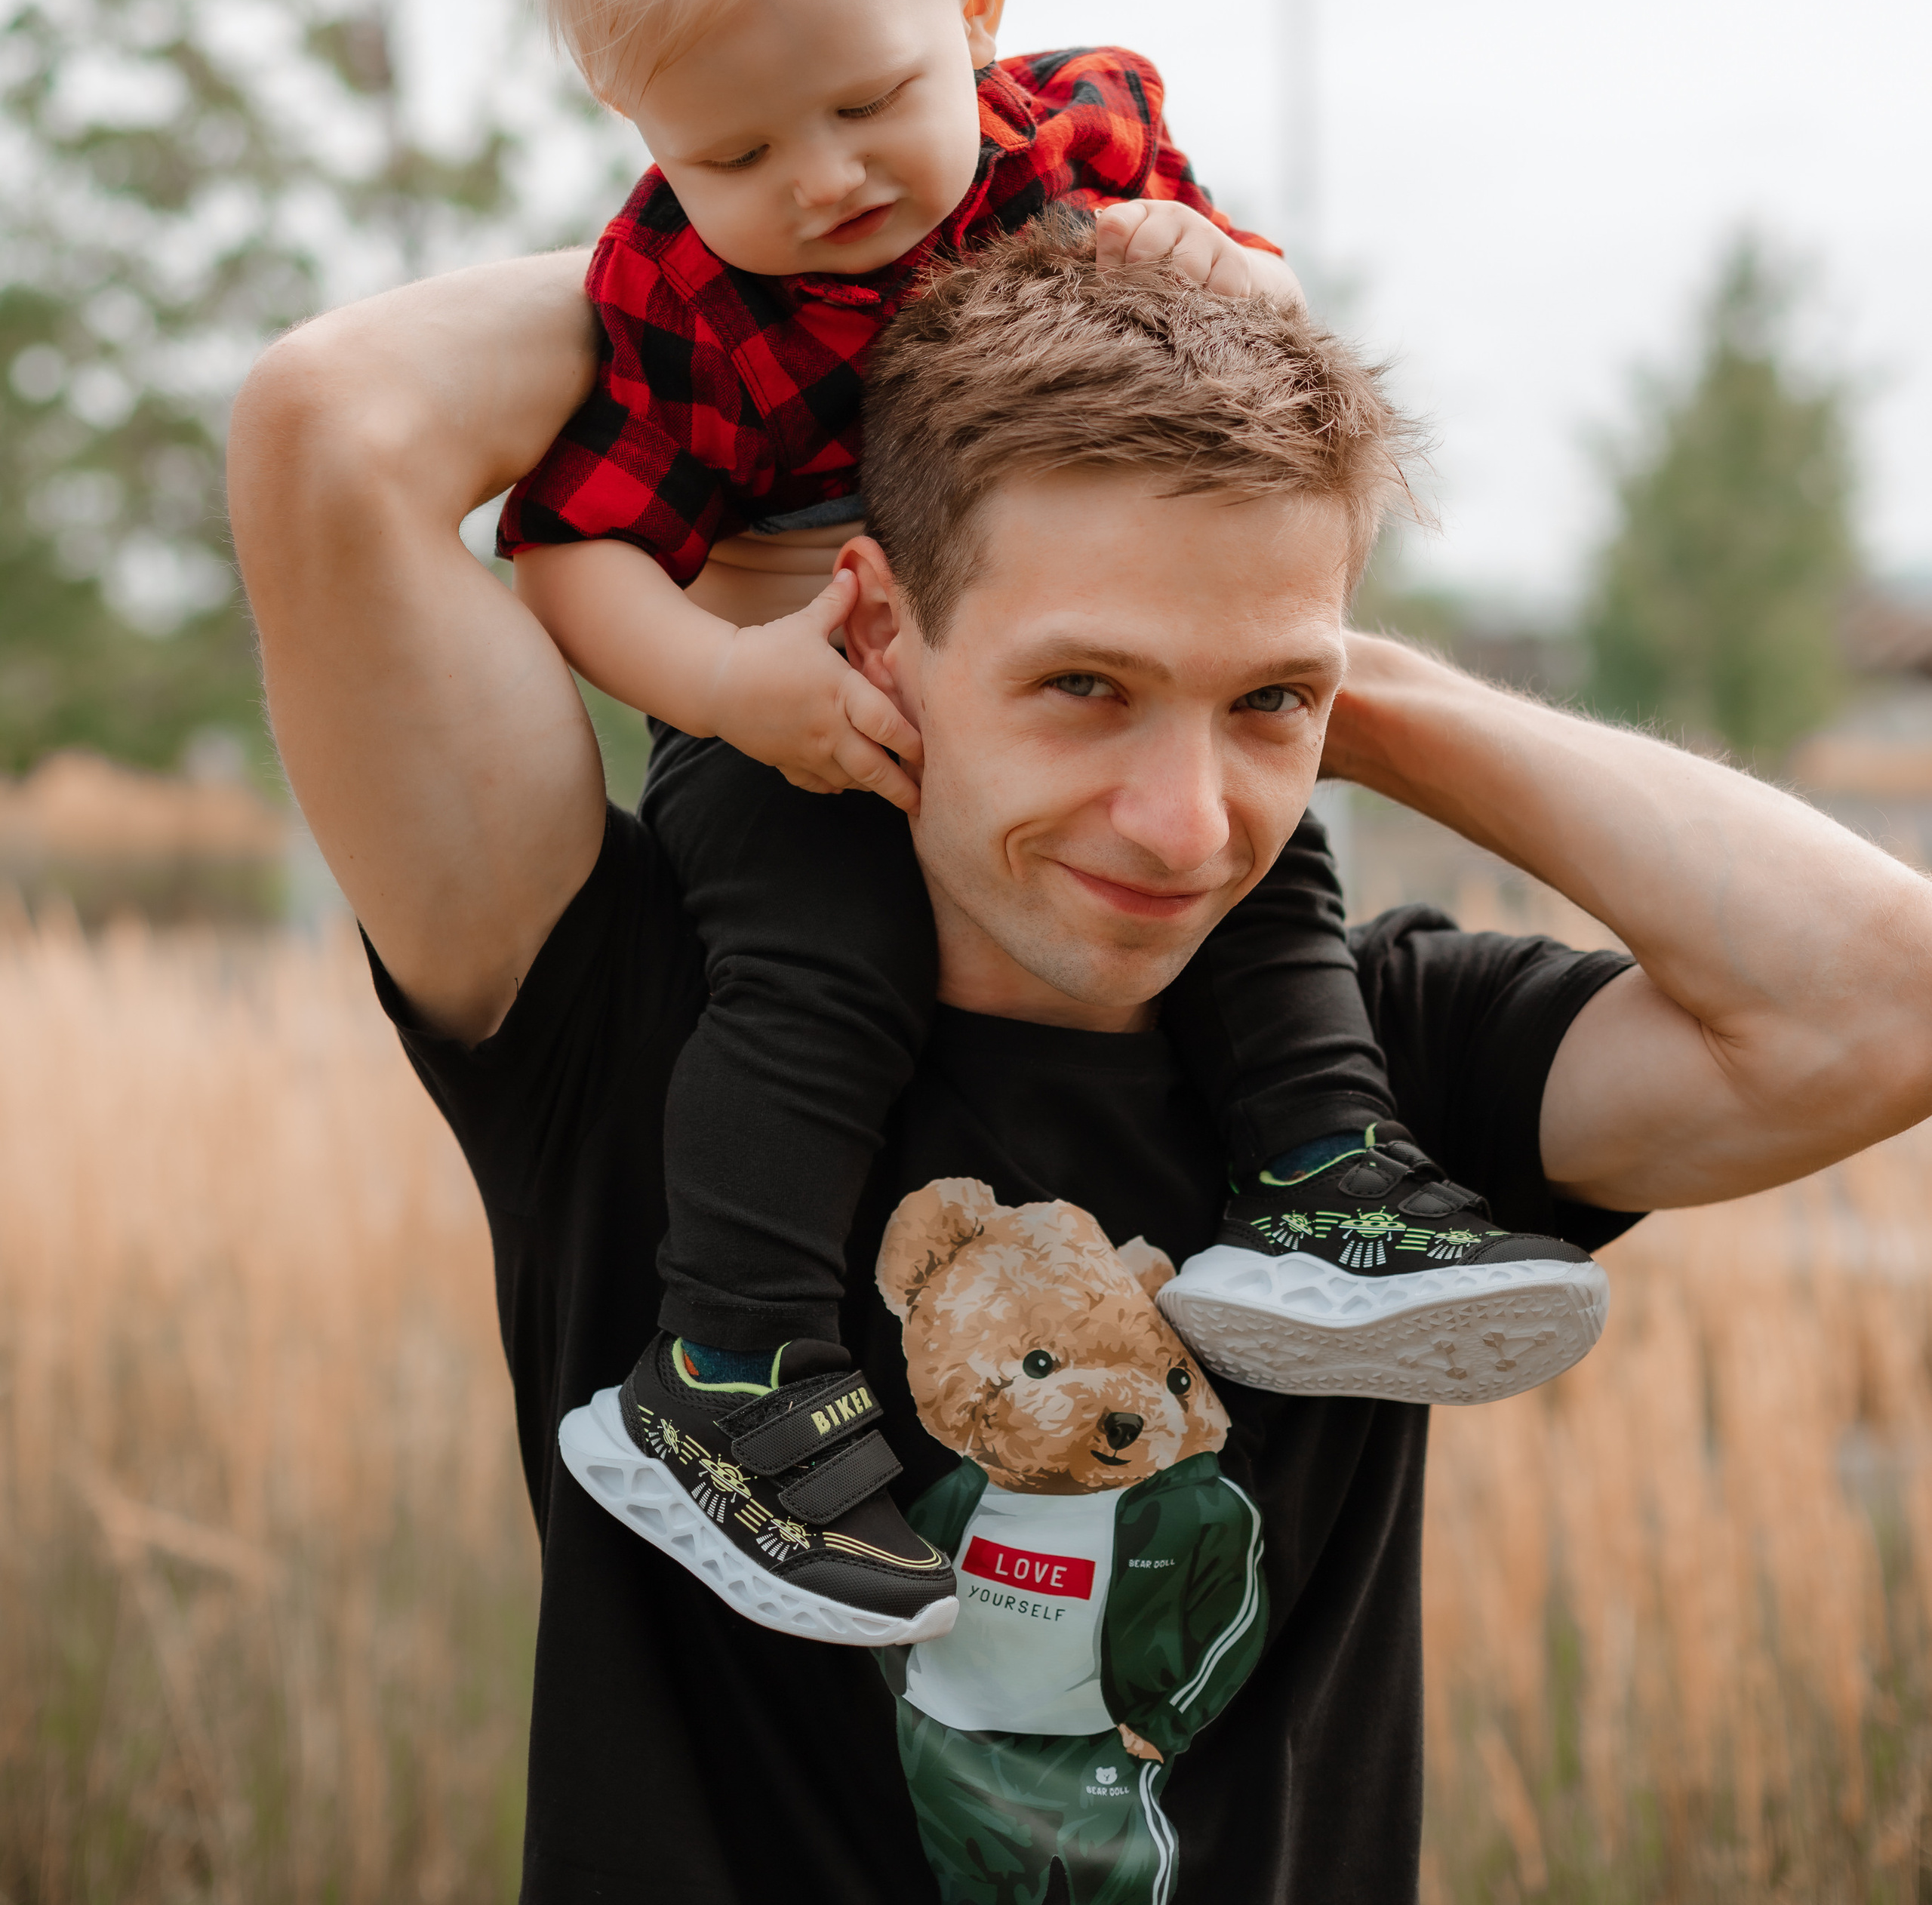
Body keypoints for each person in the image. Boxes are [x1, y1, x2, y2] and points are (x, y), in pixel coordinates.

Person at [229, 229, 1932, 1905]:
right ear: (876, 631)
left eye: (1268, 706)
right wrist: (908, 223)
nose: (1185, 826)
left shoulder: (1365, 1078)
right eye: (1086, 684)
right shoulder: (633, 1008)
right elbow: (334, 424)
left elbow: (1885, 1002)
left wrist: (1334, 671)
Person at [492, 0, 1599, 1648]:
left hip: (1081, 671)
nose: (822, 180)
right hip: (803, 711)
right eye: (731, 148)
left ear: (974, 4)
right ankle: (727, 1367)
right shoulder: (673, 293)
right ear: (630, 119)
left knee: (1253, 862)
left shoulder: (1077, 143)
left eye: (867, 101)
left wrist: (1226, 266)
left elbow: (1253, 374)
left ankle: (1320, 1177)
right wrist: (728, 684)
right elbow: (568, 550)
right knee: (813, 966)